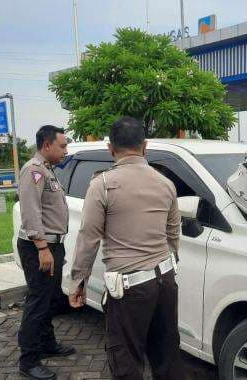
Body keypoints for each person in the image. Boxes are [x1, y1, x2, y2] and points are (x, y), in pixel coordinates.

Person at [69, 116, 185, 379]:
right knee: (167, 355)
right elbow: (172, 233)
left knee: (126, 361)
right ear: (145, 146)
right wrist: (169, 264)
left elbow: (88, 238)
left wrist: (78, 281)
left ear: (111, 148)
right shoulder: (165, 184)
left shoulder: (103, 185)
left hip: (130, 289)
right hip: (165, 281)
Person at [17, 125, 74, 380]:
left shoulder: (47, 170)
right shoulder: (34, 171)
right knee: (37, 301)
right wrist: (42, 247)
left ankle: (47, 343)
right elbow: (30, 211)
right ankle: (29, 360)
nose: (66, 150)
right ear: (47, 145)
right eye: (62, 146)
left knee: (49, 299)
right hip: (39, 246)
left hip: (52, 244)